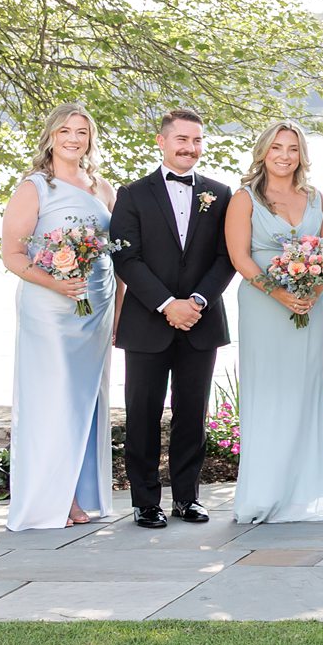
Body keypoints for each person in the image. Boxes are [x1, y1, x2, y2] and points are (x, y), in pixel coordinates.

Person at [108, 109, 236, 528]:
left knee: (192, 413)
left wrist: (196, 300)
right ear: (161, 142)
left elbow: (226, 257)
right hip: (148, 321)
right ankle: (145, 501)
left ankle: (187, 497)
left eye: (197, 140)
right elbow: (126, 257)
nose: (190, 148)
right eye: (182, 139)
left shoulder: (220, 194)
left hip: (201, 320)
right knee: (142, 413)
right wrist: (167, 304)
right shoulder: (133, 194)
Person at [0, 103, 118, 531]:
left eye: (82, 132)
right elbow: (12, 255)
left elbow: (115, 256)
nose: (73, 138)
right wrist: (57, 283)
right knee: (53, 399)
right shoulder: (34, 188)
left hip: (97, 309)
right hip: (51, 311)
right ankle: (54, 497)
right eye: (65, 130)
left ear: (91, 139)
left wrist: (116, 313)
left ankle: (83, 490)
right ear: (51, 136)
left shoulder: (103, 187)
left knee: (88, 401)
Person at [225, 119, 323, 525]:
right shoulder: (246, 198)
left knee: (302, 392)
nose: (284, 156)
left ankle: (303, 494)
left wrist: (314, 289)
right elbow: (239, 257)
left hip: (309, 308)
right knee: (268, 393)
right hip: (264, 308)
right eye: (277, 147)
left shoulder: (315, 197)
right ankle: (264, 494)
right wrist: (277, 292)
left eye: (292, 148)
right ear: (263, 151)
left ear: (302, 155)